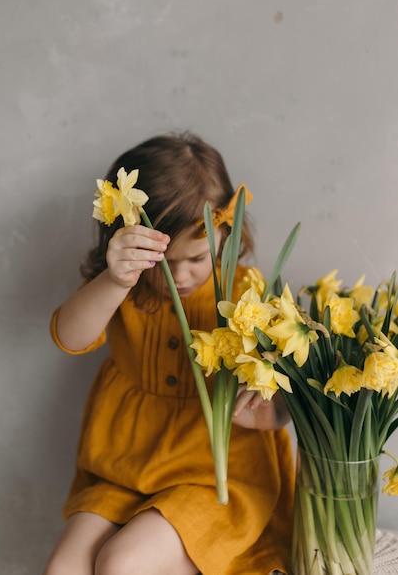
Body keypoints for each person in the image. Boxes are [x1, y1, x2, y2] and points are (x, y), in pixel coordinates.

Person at [43, 132, 295, 575]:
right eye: (162, 261)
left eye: (197, 258)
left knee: (122, 564)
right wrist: (116, 281)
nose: (179, 276)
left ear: (225, 233)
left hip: (215, 479)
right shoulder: (123, 289)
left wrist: (268, 413)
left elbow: (281, 400)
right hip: (124, 470)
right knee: (65, 567)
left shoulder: (244, 292)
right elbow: (71, 336)